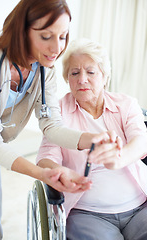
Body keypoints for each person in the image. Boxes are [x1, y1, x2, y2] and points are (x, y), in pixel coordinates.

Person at [0, 1, 111, 239]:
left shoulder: (45, 67)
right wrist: (41, 173)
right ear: (22, 31)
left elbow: (51, 125)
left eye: (63, 36)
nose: (57, 47)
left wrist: (92, 139)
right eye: (46, 36)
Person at [36, 38, 147, 240]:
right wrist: (58, 171)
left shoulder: (126, 104)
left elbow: (141, 140)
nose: (82, 79)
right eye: (75, 73)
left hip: (140, 207)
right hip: (87, 214)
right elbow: (46, 157)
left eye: (91, 72)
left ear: (104, 76)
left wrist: (119, 159)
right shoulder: (58, 111)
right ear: (67, 78)